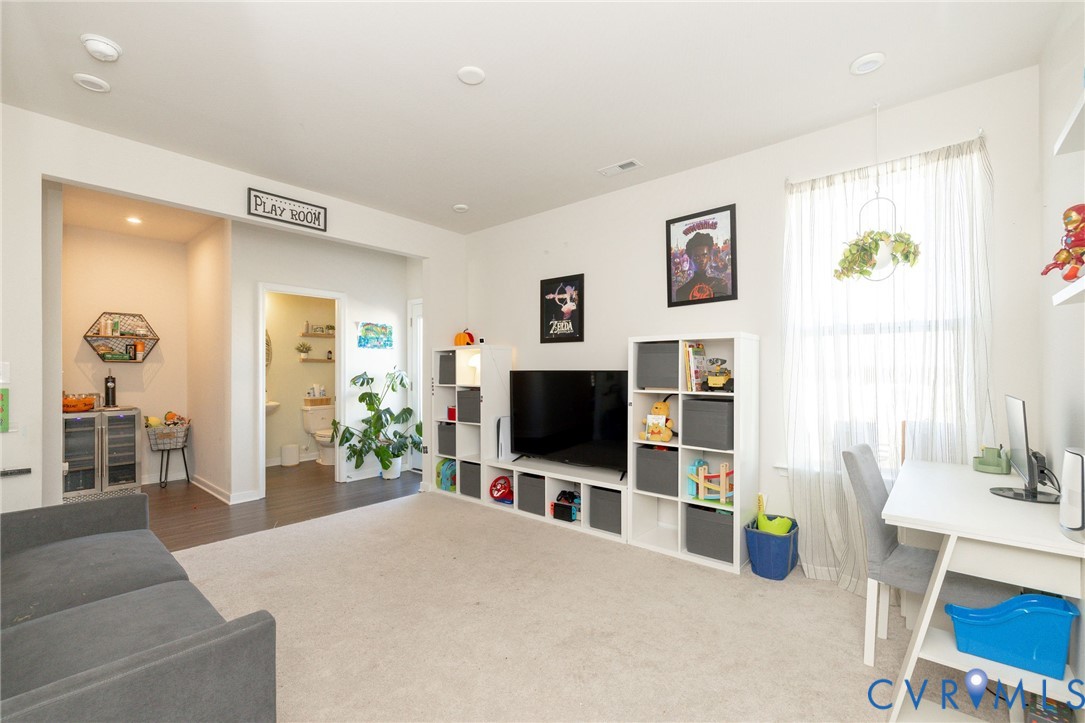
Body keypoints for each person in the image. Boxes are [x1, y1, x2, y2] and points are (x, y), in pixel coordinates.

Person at [674, 232, 729, 301]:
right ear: (691, 259)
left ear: (709, 257)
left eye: (705, 255)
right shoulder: (681, 292)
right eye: (697, 256)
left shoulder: (721, 284)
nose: (701, 260)